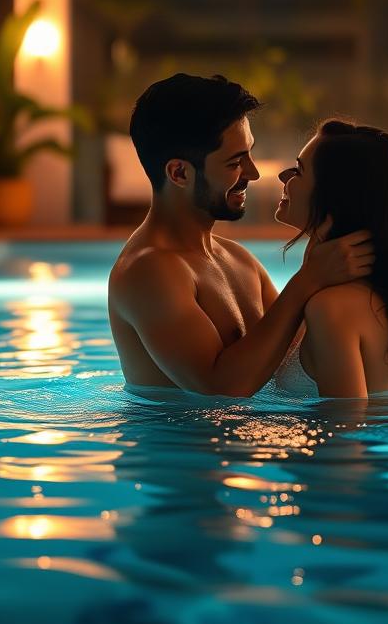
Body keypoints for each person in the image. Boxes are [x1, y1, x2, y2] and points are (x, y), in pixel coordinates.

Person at [109, 74, 374, 397]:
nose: (253, 173)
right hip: (179, 443)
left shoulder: (237, 259)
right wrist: (307, 280)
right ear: (180, 173)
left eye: (249, 154)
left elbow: (298, 362)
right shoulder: (148, 271)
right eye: (236, 161)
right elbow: (221, 388)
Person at [269, 119, 388, 398]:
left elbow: (346, 432)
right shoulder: (383, 297)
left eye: (298, 171)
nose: (284, 178)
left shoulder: (331, 307)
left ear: (334, 196)